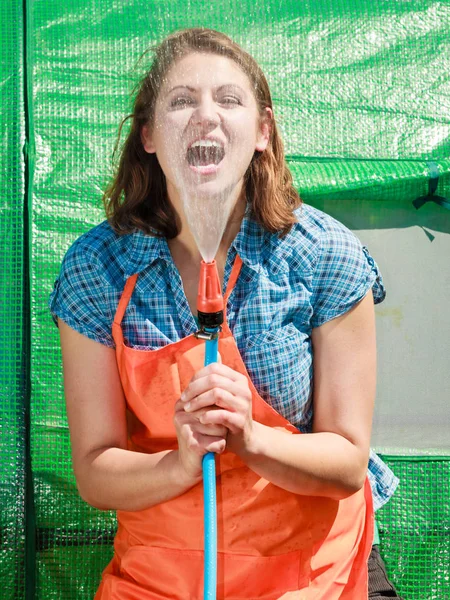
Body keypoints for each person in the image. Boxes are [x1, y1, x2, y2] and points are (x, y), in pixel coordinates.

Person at [50, 28, 401, 599]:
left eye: (229, 100)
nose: (205, 116)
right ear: (148, 136)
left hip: (312, 574)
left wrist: (249, 438)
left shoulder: (323, 254)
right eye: (181, 100)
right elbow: (94, 470)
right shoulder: (98, 268)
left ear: (262, 132)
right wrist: (182, 462)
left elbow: (344, 461)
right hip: (162, 578)